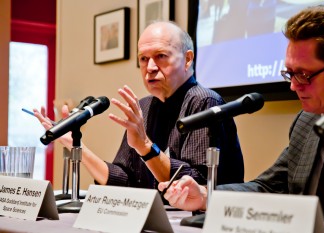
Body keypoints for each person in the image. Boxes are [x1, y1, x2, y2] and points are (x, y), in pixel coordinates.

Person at [158, 5, 324, 224]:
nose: (293, 87)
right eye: (289, 73)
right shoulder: (307, 123)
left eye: (304, 75)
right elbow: (269, 187)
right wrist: (204, 195)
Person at [34, 21, 244, 190]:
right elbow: (124, 180)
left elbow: (194, 187)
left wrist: (144, 145)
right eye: (143, 59)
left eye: (161, 56)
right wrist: (75, 145)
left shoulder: (204, 102)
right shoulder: (144, 106)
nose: (150, 67)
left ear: (188, 59)